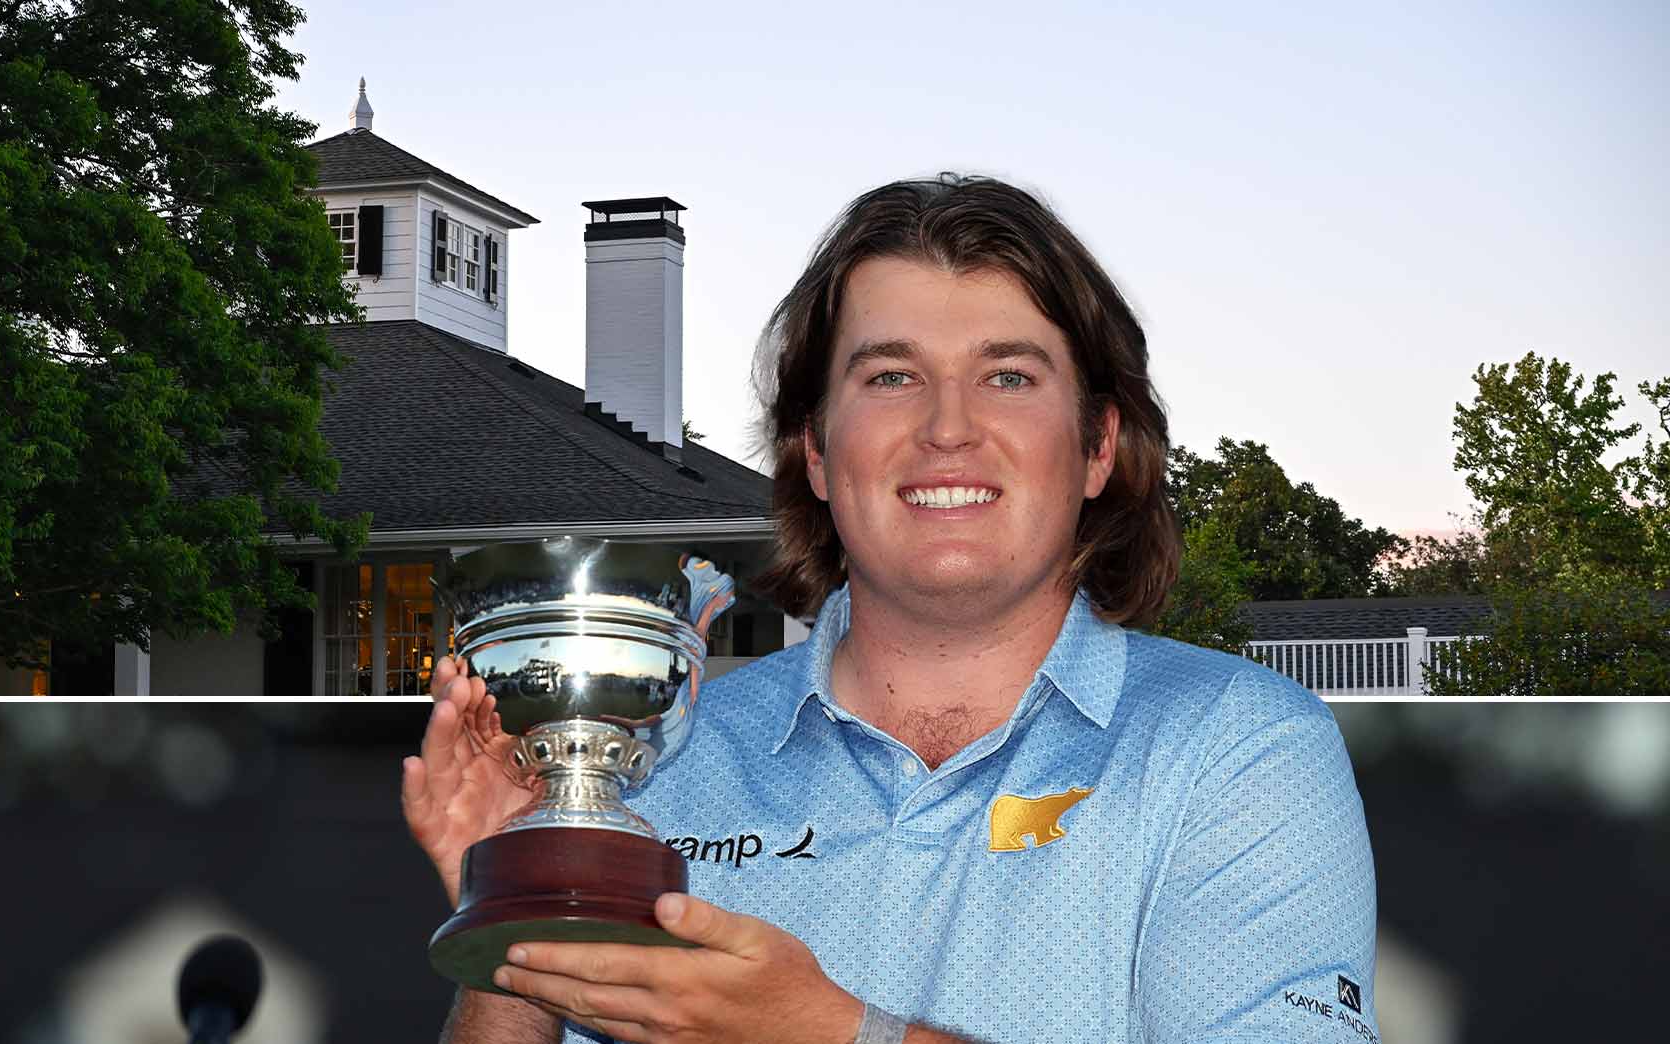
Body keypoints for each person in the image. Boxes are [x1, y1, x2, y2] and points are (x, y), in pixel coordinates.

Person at [402, 174, 1378, 1044]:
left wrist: (825, 1036)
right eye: (890, 377)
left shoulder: (1235, 747)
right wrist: (527, 902)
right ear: (817, 452)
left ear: (1095, 446)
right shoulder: (665, 747)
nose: (947, 427)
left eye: (1007, 375)